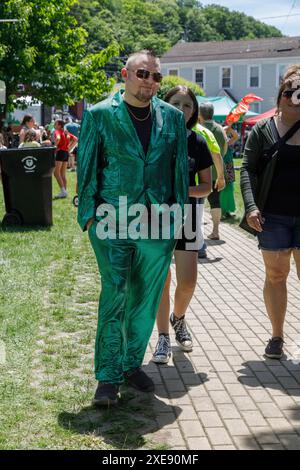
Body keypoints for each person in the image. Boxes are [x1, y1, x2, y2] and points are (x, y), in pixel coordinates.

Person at [77, 50, 188, 406]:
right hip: (112, 221)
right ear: (125, 74)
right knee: (116, 293)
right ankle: (107, 377)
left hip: (157, 225)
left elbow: (179, 175)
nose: (150, 82)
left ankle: (130, 364)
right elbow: (88, 166)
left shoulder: (172, 119)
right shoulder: (98, 115)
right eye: (143, 74)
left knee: (145, 299)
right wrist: (90, 217)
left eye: (156, 77)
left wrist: (177, 219)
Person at [240, 64, 300, 359]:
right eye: (289, 91)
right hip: (273, 216)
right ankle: (277, 336)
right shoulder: (263, 129)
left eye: (299, 92)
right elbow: (247, 170)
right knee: (277, 274)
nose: (293, 97)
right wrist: (251, 206)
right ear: (280, 93)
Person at [152, 86, 212, 364]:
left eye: (187, 105)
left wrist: (182, 189)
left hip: (187, 218)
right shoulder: (153, 139)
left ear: (194, 111)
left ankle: (179, 318)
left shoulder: (198, 143)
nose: (181, 109)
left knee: (188, 281)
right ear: (164, 105)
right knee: (161, 281)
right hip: (155, 217)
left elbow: (207, 187)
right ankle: (163, 337)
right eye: (175, 103)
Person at [199, 102, 227, 240]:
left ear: (200, 114)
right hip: (217, 172)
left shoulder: (199, 129)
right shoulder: (220, 129)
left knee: (198, 204)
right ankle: (216, 231)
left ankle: (197, 235)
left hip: (201, 174)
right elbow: (224, 149)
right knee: (215, 202)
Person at [53, 119, 77, 199]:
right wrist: (69, 149)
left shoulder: (58, 131)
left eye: (55, 124)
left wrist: (54, 147)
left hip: (60, 152)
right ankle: (64, 192)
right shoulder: (66, 132)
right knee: (62, 174)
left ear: (59, 125)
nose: (54, 125)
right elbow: (76, 139)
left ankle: (63, 191)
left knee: (56, 173)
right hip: (66, 153)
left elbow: (58, 138)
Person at [220, 124, 239, 218]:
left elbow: (236, 136)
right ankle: (222, 211)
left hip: (229, 165)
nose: (226, 133)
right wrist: (224, 129)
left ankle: (227, 211)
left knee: (230, 188)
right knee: (223, 189)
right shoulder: (220, 141)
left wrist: (230, 129)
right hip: (222, 165)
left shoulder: (227, 141)